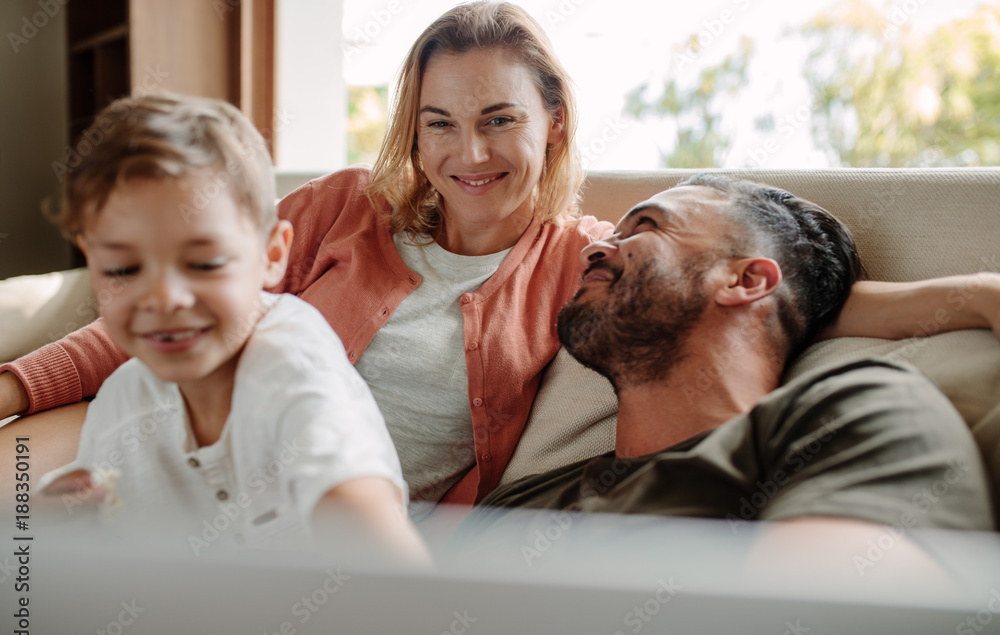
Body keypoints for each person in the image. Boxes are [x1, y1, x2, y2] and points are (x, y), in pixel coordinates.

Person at [1, 1, 999, 514]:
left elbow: (772, 299)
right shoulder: (345, 205)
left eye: (496, 120)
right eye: (438, 123)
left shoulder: (588, 260)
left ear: (551, 125)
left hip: (329, 499)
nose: (465, 154)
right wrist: (12, 387)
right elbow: (158, 307)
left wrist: (976, 294)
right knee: (19, 528)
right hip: (177, 431)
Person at [466, 175, 995, 541]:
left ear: (746, 280)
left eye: (646, 228)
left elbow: (833, 630)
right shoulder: (514, 507)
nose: (595, 250)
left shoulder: (854, 414)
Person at [31, 92, 428, 562]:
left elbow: (386, 556)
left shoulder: (292, 367)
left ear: (273, 255)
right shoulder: (122, 405)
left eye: (204, 263)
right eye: (122, 269)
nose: (162, 299)